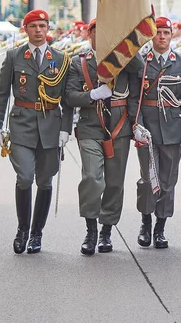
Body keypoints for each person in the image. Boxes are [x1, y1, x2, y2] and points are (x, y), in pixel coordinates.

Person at [0, 9, 73, 254]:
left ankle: (37, 233)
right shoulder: (15, 55)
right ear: (25, 29)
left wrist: (66, 129)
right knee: (25, 176)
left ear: (48, 29)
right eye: (33, 26)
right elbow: (2, 92)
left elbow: (67, 99)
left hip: (50, 124)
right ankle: (22, 230)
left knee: (45, 181)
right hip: (22, 124)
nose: (38, 30)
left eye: (42, 26)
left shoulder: (61, 58)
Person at [65, 19, 143, 255]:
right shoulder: (80, 62)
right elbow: (69, 96)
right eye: (100, 32)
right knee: (92, 177)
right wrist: (92, 95)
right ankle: (90, 229)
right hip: (91, 126)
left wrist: (125, 44)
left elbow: (139, 68)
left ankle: (106, 230)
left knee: (115, 181)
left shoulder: (124, 58)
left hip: (119, 126)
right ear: (90, 35)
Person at [129, 17, 181, 249]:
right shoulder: (141, 63)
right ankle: (145, 223)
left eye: (166, 32)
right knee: (148, 178)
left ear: (172, 35)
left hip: (173, 128)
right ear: (152, 36)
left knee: (168, 180)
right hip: (147, 128)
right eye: (158, 33)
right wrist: (135, 125)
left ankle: (160, 227)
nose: (163, 37)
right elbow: (134, 98)